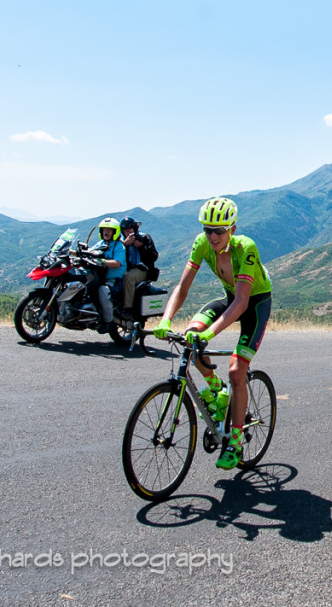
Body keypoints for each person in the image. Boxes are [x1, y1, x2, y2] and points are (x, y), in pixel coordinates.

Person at [152, 197, 272, 471]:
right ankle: (218, 393)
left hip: (255, 303)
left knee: (235, 371)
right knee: (190, 337)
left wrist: (211, 335)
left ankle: (236, 442)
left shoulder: (246, 248)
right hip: (229, 298)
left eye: (219, 230)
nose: (213, 236)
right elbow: (182, 287)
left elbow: (242, 303)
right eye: (208, 229)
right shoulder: (201, 244)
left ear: (232, 228)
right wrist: (166, 320)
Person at [87, 217, 126, 334]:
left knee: (103, 290)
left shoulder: (119, 246)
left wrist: (103, 262)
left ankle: (108, 321)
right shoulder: (101, 243)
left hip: (114, 279)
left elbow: (117, 263)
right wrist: (73, 253)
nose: (106, 232)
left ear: (115, 231)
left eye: (109, 230)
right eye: (104, 229)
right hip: (100, 277)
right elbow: (90, 251)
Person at [118, 216, 160, 318]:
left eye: (130, 230)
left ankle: (127, 308)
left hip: (142, 270)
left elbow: (153, 256)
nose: (128, 233)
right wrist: (125, 245)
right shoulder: (120, 241)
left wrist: (141, 247)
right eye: (125, 231)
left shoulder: (144, 237)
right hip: (123, 268)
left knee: (129, 277)